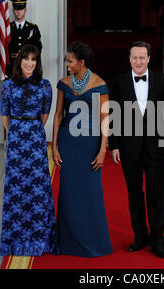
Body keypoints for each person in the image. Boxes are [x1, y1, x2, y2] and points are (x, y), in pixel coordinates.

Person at [109, 41, 164, 259]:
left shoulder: (163, 81)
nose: (138, 62)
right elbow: (114, 114)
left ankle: (157, 240)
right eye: (134, 57)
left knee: (157, 194)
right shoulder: (119, 82)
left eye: (142, 57)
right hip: (129, 148)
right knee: (134, 195)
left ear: (149, 58)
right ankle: (139, 236)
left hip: (155, 147)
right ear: (129, 59)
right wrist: (114, 145)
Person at [52, 41, 112, 257]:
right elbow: (58, 116)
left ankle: (93, 241)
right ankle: (68, 242)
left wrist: (103, 150)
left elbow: (105, 120)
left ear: (81, 62)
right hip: (68, 142)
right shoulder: (63, 83)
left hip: (90, 144)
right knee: (68, 192)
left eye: (70, 61)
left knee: (90, 192)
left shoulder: (100, 84)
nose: (67, 64)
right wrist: (55, 146)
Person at [0, 44, 58, 256]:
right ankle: (15, 239)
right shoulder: (8, 86)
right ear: (19, 61)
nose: (30, 63)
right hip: (15, 139)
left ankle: (39, 237)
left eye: (33, 59)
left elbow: (44, 115)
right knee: (16, 188)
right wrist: (15, 131)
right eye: (26, 59)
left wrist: (30, 130)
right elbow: (5, 115)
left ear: (37, 62)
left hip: (35, 138)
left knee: (37, 187)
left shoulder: (45, 86)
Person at [6, 0, 42, 78]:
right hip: (12, 67)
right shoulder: (7, 28)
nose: (19, 12)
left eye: (21, 9)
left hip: (28, 68)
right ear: (13, 10)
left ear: (25, 10)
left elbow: (38, 49)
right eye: (16, 9)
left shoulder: (33, 28)